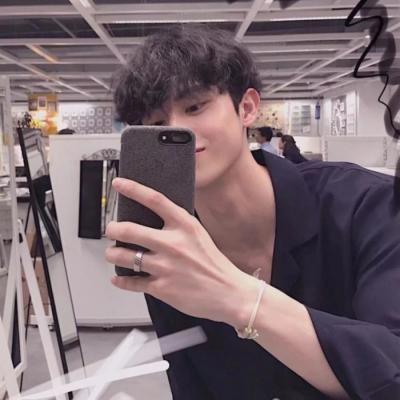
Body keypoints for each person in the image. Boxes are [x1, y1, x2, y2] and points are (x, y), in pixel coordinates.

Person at [106, 24, 400, 400]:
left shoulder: (366, 206)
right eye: (157, 124)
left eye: (195, 107)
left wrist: (238, 298)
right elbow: (191, 385)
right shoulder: (171, 248)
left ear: (246, 108)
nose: (180, 130)